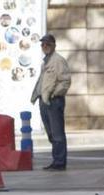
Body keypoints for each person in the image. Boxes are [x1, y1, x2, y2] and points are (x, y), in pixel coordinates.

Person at [30, 33, 71, 171]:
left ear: (54, 45)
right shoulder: (45, 61)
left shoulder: (58, 60)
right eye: (43, 44)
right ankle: (56, 160)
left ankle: (60, 162)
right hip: (44, 100)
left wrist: (55, 94)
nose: (45, 46)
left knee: (57, 133)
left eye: (48, 44)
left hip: (54, 100)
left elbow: (65, 81)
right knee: (51, 133)